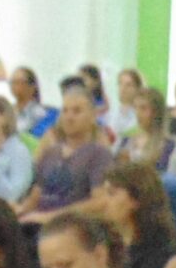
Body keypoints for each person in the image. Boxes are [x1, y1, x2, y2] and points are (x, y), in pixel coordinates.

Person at [22, 78, 116, 221]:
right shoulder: (50, 153)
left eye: (77, 111)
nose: (69, 117)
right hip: (39, 223)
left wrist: (51, 217)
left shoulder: (98, 155)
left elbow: (100, 202)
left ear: (92, 116)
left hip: (74, 229)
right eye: (65, 111)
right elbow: (35, 197)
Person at [97, 158, 176, 268]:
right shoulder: (100, 238)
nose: (103, 202)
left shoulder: (160, 250)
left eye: (111, 193)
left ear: (136, 200)